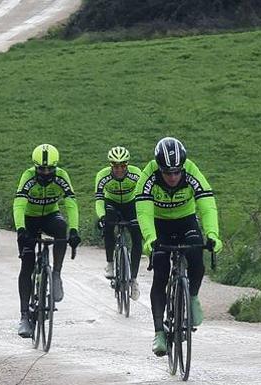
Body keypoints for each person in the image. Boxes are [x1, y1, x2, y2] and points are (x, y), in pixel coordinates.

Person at [135, 137, 222, 356]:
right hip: (159, 225)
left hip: (186, 222)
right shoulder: (148, 176)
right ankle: (159, 332)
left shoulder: (191, 170)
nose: (173, 177)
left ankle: (192, 296)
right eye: (167, 172)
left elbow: (207, 205)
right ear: (159, 168)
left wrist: (212, 234)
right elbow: (144, 212)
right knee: (161, 274)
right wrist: (150, 239)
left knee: (196, 256)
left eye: (176, 172)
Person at [13, 144, 80, 338]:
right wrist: (20, 229)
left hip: (51, 215)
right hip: (29, 219)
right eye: (41, 169)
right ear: (34, 167)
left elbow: (71, 203)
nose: (45, 172)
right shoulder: (27, 177)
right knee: (27, 265)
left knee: (61, 227)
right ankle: (24, 316)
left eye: (49, 169)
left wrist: (74, 230)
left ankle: (56, 274)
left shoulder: (62, 176)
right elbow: (18, 204)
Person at [94, 146, 143, 299]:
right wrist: (102, 216)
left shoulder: (136, 174)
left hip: (131, 204)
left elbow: (143, 198)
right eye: (116, 166)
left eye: (122, 166)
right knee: (108, 226)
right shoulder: (102, 176)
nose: (119, 169)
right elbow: (99, 200)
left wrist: (143, 216)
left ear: (127, 165)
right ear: (111, 165)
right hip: (112, 204)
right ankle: (110, 263)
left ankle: (133, 279)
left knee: (137, 236)